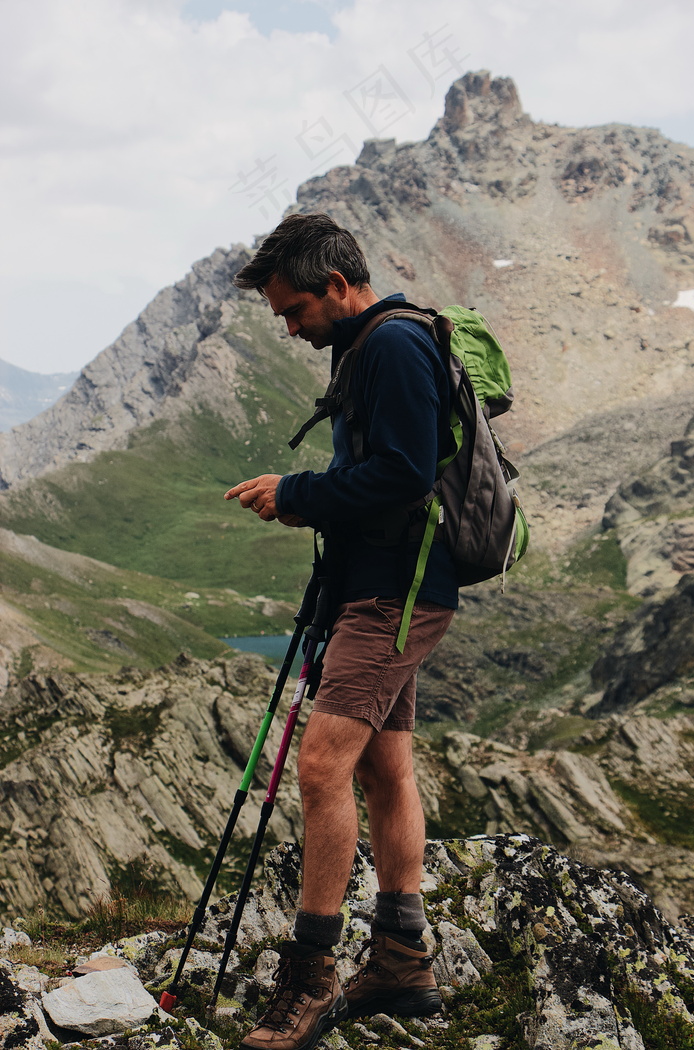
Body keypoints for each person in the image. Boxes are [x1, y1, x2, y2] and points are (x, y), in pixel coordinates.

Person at [225, 213, 458, 1050]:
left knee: (321, 766)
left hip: (393, 595)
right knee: (385, 766)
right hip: (381, 585)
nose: (289, 328)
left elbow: (401, 471)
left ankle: (311, 980)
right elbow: (382, 468)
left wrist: (298, 494)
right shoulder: (364, 346)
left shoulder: (391, 345)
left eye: (293, 310)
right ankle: (402, 959)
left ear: (336, 286)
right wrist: (309, 498)